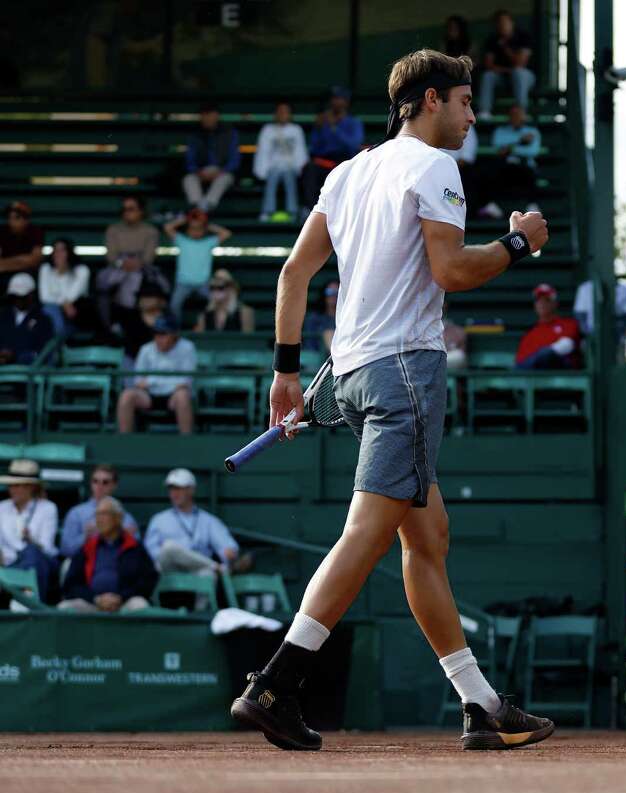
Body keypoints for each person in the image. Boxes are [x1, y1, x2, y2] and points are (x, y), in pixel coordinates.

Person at [231, 48, 552, 753]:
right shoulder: (435, 167)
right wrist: (519, 243)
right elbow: (453, 270)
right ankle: (276, 685)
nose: (473, 116)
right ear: (431, 100)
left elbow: (293, 274)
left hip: (349, 374)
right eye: (466, 102)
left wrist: (285, 374)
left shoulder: (347, 173)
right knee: (366, 533)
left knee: (426, 535)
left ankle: (481, 705)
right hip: (406, 375)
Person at [58, 497, 156, 614]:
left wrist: (120, 597)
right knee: (64, 608)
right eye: (97, 515)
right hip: (93, 603)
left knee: (140, 606)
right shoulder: (87, 547)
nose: (99, 519)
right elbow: (70, 585)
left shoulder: (134, 547)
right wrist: (96, 598)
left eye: (104, 514)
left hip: (125, 602)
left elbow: (148, 581)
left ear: (118, 518)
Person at [144, 468, 245, 579]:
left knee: (208, 575)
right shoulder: (159, 519)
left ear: (191, 490)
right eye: (171, 489)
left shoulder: (208, 521)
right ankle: (215, 567)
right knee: (169, 547)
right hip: (168, 571)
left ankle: (213, 569)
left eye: (179, 488)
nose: (174, 493)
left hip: (197, 570)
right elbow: (151, 554)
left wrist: (229, 552)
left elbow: (228, 547)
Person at [98, 196, 168, 335]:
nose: (126, 212)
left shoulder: (150, 230)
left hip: (142, 267)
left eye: (131, 209)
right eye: (124, 209)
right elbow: (111, 256)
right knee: (103, 283)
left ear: (141, 211)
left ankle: (148, 326)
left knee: (144, 281)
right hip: (118, 266)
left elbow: (149, 257)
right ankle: (110, 326)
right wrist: (122, 263)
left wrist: (137, 263)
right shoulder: (113, 229)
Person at [117, 314, 196, 434]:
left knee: (183, 396)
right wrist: (168, 382)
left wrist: (151, 381)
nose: (158, 338)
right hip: (149, 397)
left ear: (174, 334)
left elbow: (185, 382)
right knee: (127, 395)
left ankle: (187, 442)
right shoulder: (146, 349)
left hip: (174, 397)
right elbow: (138, 381)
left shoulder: (187, 348)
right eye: (156, 334)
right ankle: (123, 441)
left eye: (163, 334)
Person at [0, 459, 58, 602]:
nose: (13, 490)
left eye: (19, 485)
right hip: (8, 562)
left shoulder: (48, 508)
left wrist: (30, 540)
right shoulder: (1, 507)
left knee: (32, 552)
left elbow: (47, 548)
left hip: (40, 563)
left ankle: (29, 603)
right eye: (11, 485)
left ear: (31, 487)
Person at [300, 87, 364, 214]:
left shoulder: (353, 122)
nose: (336, 102)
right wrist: (319, 127)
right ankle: (311, 211)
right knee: (309, 169)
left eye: (340, 99)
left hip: (344, 162)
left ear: (346, 102)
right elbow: (314, 147)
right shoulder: (322, 121)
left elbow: (354, 145)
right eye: (334, 99)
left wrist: (334, 128)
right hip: (324, 162)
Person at [164, 208, 232, 320]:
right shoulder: (182, 240)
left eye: (199, 228)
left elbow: (226, 233)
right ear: (187, 229)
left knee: (216, 302)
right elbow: (167, 227)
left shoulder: (209, 242)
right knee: (174, 305)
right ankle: (175, 330)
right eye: (192, 228)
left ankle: (211, 327)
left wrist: (206, 223)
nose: (196, 231)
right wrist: (186, 220)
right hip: (183, 283)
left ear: (204, 229)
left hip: (204, 283)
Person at [60, 463, 139, 559]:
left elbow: (137, 551)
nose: (99, 485)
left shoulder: (124, 516)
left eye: (105, 482)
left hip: (116, 562)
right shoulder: (76, 513)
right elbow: (65, 550)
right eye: (95, 481)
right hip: (84, 561)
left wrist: (124, 536)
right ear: (90, 483)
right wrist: (85, 537)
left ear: (114, 485)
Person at [477, 104, 541, 216]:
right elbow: (499, 151)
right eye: (513, 114)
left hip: (525, 166)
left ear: (524, 116)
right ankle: (491, 205)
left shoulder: (533, 131)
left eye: (519, 114)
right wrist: (521, 142)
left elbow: (532, 151)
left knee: (531, 171)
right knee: (486, 170)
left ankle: (532, 205)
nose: (516, 117)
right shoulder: (500, 131)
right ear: (509, 116)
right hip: (505, 166)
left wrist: (510, 148)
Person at [254, 101, 308, 223]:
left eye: (286, 112)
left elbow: (300, 150)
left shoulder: (296, 130)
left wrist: (301, 168)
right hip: (273, 167)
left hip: (290, 166)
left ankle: (292, 211)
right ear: (275, 114)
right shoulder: (267, 129)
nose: (283, 114)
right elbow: (263, 151)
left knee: (290, 178)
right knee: (272, 176)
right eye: (280, 112)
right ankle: (267, 211)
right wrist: (261, 170)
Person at [477, 10, 535, 117]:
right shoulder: (493, 39)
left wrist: (505, 47)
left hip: (525, 77)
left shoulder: (523, 36)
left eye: (505, 22)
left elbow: (520, 63)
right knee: (487, 76)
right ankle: (485, 111)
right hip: (503, 76)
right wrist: (507, 70)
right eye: (499, 23)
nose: (502, 25)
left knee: (519, 73)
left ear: (511, 22)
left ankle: (521, 111)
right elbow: (489, 65)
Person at [182, 103, 240, 211]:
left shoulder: (229, 133)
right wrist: (198, 172)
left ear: (216, 116)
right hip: (201, 172)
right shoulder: (195, 135)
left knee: (223, 179)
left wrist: (221, 171)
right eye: (204, 115)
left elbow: (234, 161)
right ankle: (197, 206)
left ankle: (205, 207)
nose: (207, 118)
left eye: (210, 115)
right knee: (188, 179)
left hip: (223, 172)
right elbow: (190, 160)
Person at [515, 284, 582, 370]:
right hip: (535, 377)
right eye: (539, 300)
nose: (542, 304)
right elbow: (521, 364)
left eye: (547, 300)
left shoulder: (568, 324)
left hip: (561, 375)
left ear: (555, 303)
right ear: (535, 305)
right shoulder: (530, 335)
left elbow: (567, 345)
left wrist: (546, 353)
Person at [38, 237, 90, 336]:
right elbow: (44, 297)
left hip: (77, 309)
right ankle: (60, 337)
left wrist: (60, 300)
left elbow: (72, 295)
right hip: (56, 309)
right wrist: (63, 303)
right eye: (56, 250)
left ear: (69, 252)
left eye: (62, 250)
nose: (58, 254)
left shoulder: (82, 270)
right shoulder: (45, 268)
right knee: (49, 308)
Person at [0, 273, 54, 365]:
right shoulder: (3, 317)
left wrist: (16, 356)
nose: (17, 300)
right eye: (14, 296)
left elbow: (43, 354)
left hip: (29, 373)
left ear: (31, 295)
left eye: (21, 296)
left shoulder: (43, 320)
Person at [0, 201, 44, 294]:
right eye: (9, 217)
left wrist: (6, 263)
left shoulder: (35, 232)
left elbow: (35, 260)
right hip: (4, 276)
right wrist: (22, 260)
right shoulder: (2, 231)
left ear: (26, 219)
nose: (12, 221)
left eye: (16, 217)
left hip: (28, 274)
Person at [194, 268, 254, 333]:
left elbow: (248, 340)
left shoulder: (245, 313)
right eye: (212, 287)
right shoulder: (204, 315)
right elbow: (200, 339)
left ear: (231, 288)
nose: (216, 291)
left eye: (221, 287)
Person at [302, 279, 338, 352]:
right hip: (319, 357)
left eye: (337, 292)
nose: (333, 296)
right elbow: (310, 344)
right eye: (329, 292)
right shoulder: (314, 318)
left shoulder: (347, 318)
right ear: (324, 294)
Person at [442, 299, 467, 370]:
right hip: (428, 357)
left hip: (448, 358)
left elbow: (460, 354)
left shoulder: (456, 330)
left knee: (458, 355)